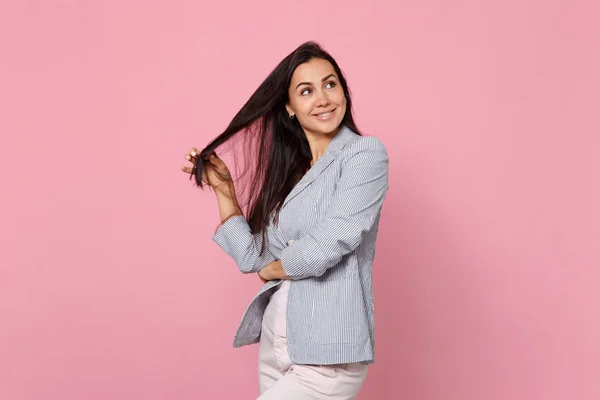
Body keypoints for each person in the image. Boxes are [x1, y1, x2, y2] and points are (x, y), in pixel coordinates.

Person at [180, 41, 389, 399]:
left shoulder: (364, 154)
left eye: (330, 84)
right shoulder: (293, 174)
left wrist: (274, 270)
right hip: (277, 345)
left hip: (327, 353)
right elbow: (252, 258)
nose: (322, 98)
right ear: (290, 107)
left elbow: (331, 242)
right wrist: (224, 191)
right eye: (306, 91)